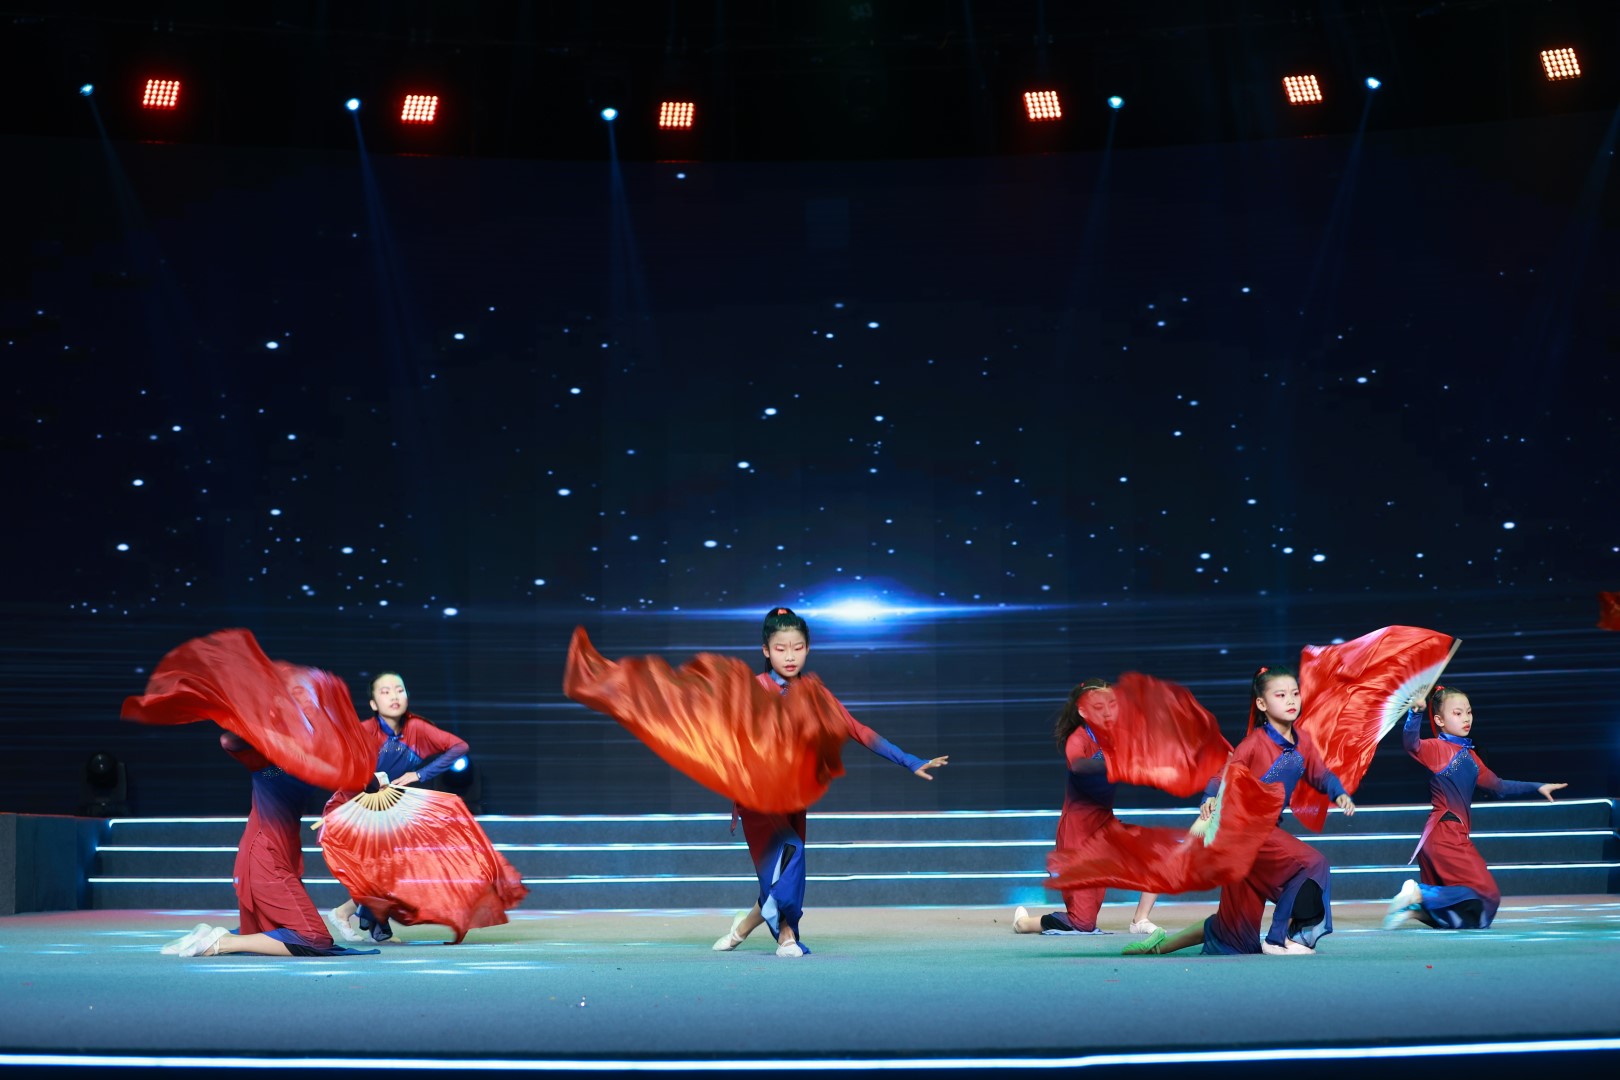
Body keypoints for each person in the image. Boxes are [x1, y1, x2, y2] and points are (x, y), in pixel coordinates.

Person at [712, 607, 949, 957]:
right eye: (780, 648)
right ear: (766, 650)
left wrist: (909, 760)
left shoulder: (815, 695)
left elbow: (858, 730)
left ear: (807, 649)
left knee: (780, 872)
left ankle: (741, 930)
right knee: (790, 854)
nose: (790, 656)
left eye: (797, 647)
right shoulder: (751, 691)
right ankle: (786, 937)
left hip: (793, 797)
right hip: (758, 797)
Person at [1124, 665, 1354, 957]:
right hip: (1245, 830)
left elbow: (1321, 774)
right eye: (1280, 695)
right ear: (1261, 704)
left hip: (1261, 836)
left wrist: (1339, 792)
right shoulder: (1255, 743)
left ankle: (1159, 948)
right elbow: (1226, 772)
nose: (1291, 700)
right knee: (1312, 864)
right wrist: (1209, 796)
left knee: (1236, 935)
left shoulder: (1303, 742)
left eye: (1295, 693)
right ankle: (1277, 939)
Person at [164, 731, 377, 958]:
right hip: (266, 855)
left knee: (269, 931)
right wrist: (270, 734)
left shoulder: (309, 762)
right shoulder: (272, 764)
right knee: (314, 937)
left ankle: (209, 935)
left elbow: (362, 780)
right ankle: (222, 942)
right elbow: (229, 741)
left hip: (279, 852)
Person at [1383, 684, 1566, 930]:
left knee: (1475, 915)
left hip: (1447, 835)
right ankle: (1419, 893)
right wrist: (1415, 714)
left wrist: (1537, 787)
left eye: (1468, 712)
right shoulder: (1438, 749)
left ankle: (1417, 910)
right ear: (1439, 721)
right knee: (1486, 895)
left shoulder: (1469, 756)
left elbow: (1498, 786)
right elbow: (1412, 744)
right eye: (1457, 713)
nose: (1466, 718)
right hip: (1446, 833)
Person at [326, 672, 470, 943]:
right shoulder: (363, 731)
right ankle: (358, 917)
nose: (394, 696)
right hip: (352, 807)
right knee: (382, 870)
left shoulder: (417, 729)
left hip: (387, 810)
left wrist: (420, 774)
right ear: (373, 704)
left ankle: (354, 915)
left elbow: (459, 747)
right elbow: (340, 766)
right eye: (385, 692)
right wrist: (369, 779)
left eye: (399, 690)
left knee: (396, 869)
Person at [1011, 678, 1158, 935]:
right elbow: (1079, 766)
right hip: (1077, 835)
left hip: (1106, 827)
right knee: (1082, 923)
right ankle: (1023, 923)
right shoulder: (1077, 739)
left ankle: (1140, 920)